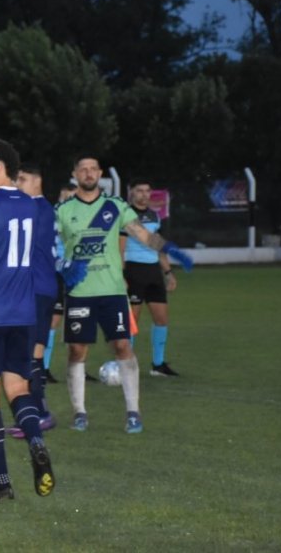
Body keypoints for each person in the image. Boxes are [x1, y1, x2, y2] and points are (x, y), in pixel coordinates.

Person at [55, 155, 193, 434]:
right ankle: (79, 411)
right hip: (80, 292)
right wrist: (62, 266)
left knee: (122, 346)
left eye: (93, 169)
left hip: (113, 291)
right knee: (77, 350)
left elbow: (142, 234)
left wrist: (170, 250)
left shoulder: (115, 207)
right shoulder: (62, 210)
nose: (88, 173)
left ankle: (133, 411)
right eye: (83, 169)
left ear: (100, 174)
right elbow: (50, 247)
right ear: (75, 174)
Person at [0, 142, 54, 501]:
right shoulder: (32, 207)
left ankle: (1, 481)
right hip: (23, 312)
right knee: (18, 389)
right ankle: (35, 439)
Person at [15, 163, 60, 427]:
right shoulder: (44, 209)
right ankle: (37, 413)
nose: (17, 184)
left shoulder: (34, 209)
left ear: (37, 180)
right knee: (35, 352)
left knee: (28, 354)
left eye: (22, 179)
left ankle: (38, 413)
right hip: (42, 288)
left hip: (34, 290)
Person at [119, 178, 180, 377]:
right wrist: (121, 274)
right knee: (132, 322)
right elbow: (119, 248)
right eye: (139, 191)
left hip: (153, 271)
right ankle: (127, 365)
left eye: (147, 191)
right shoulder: (125, 215)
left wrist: (168, 272)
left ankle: (158, 364)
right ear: (132, 193)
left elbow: (158, 246)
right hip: (133, 271)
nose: (144, 195)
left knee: (161, 319)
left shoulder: (155, 216)